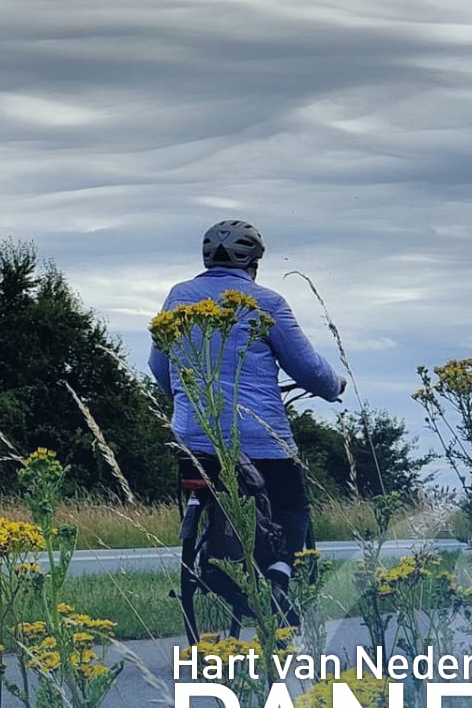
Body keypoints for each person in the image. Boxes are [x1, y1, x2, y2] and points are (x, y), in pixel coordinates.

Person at [148, 219, 346, 570]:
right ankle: (282, 580)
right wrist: (334, 387)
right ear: (255, 262)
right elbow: (308, 368)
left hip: (193, 438)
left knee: (208, 487)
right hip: (259, 439)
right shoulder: (266, 302)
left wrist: (180, 400)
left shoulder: (178, 296)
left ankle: (208, 564)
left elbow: (159, 364)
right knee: (292, 505)